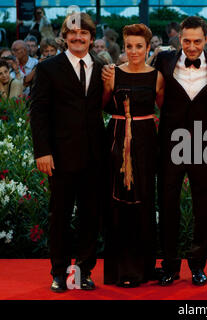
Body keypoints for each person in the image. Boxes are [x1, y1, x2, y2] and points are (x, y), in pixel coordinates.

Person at [29, 12, 106, 293]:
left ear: (91, 37)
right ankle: (59, 273)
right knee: (59, 216)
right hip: (59, 157)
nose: (77, 37)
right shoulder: (49, 68)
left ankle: (84, 271)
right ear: (65, 35)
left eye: (83, 33)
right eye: (72, 33)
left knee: (90, 216)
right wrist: (42, 152)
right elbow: (38, 113)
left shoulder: (100, 68)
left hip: (94, 157)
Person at [154, 16, 207, 287]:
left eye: (197, 41)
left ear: (206, 40)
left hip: (205, 141)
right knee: (168, 203)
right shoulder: (163, 61)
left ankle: (198, 265)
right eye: (186, 41)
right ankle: (170, 266)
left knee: (203, 206)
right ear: (179, 39)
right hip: (170, 142)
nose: (192, 46)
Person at [101, 23, 165, 288]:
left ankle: (144, 267)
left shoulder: (157, 77)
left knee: (144, 201)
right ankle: (119, 269)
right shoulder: (111, 74)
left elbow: (165, 110)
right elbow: (102, 106)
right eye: (129, 46)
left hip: (146, 142)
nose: (134, 51)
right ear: (124, 47)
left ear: (148, 47)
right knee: (118, 201)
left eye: (140, 46)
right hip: (116, 140)